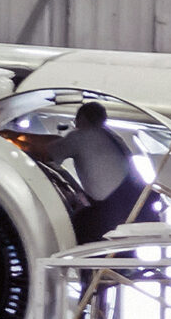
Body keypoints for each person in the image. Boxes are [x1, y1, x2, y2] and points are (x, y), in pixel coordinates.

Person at [53, 101, 156, 243]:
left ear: (81, 118)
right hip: (137, 201)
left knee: (74, 230)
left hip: (114, 209)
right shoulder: (114, 137)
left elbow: (50, 154)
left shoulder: (81, 136)